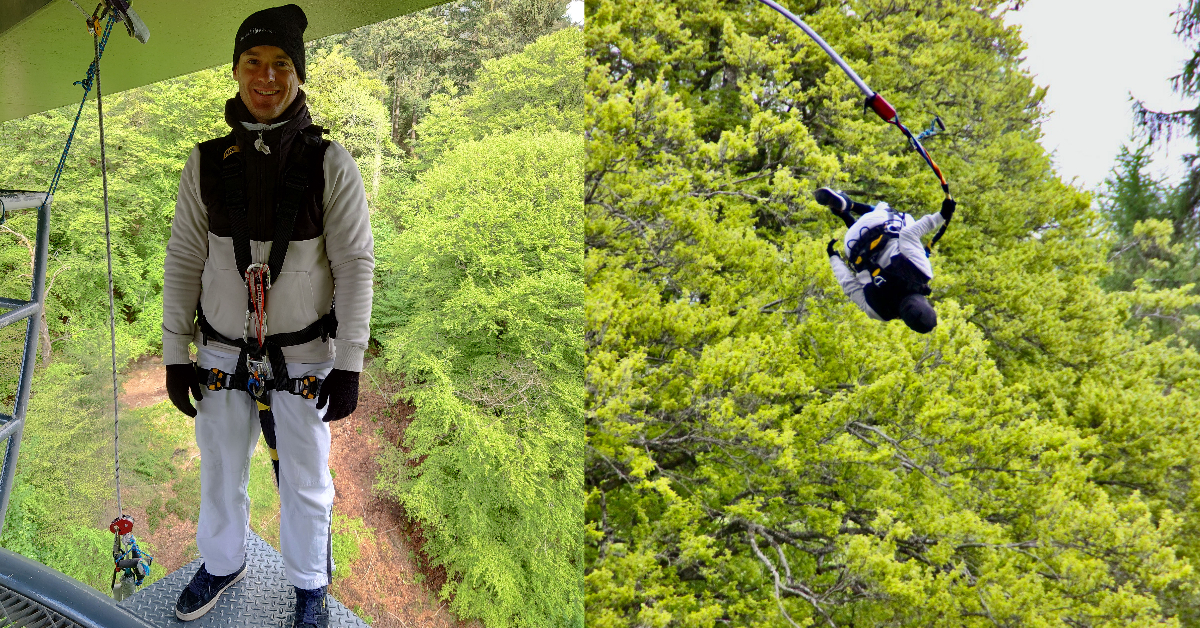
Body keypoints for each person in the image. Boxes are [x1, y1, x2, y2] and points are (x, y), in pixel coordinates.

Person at [160, 5, 374, 627]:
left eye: (282, 64)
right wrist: (177, 354)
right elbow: (182, 261)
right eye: (253, 62)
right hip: (223, 349)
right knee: (220, 467)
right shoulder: (204, 164)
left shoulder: (330, 165)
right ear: (234, 70)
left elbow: (356, 266)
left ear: (299, 75)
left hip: (304, 353)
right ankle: (224, 562)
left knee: (306, 479)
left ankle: (309, 585)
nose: (267, 77)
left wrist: (351, 364)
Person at [816, 187, 955, 333]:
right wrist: (833, 257)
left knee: (901, 219)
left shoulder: (922, 274)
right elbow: (849, 285)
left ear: (927, 304)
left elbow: (909, 234)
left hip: (877, 221)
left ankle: (851, 205)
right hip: (851, 243)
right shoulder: (880, 312)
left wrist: (941, 216)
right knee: (867, 260)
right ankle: (844, 213)